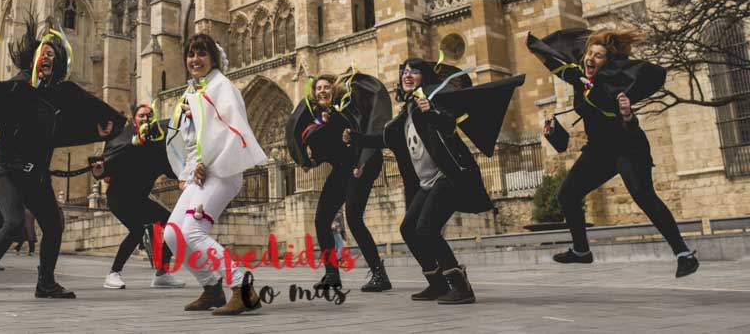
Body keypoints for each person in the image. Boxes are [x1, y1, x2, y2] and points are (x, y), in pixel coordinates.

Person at [0, 20, 124, 304]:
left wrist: (95, 130)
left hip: (34, 172)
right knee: (12, 222)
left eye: (53, 54)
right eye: (43, 52)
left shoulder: (60, 96)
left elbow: (63, 130)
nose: (47, 56)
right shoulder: (19, 86)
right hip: (5, 167)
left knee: (53, 222)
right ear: (34, 58)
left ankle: (45, 283)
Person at [345, 58, 522, 305]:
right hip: (428, 183)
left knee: (426, 229)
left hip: (449, 176)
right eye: (404, 71)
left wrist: (433, 111)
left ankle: (461, 286)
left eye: (414, 71)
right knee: (409, 229)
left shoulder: (432, 101)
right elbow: (384, 138)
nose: (407, 75)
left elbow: (449, 124)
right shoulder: (406, 113)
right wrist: (356, 138)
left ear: (424, 77)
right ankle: (437, 283)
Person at [527, 27, 699, 278]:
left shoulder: (614, 86)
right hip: (599, 150)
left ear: (607, 63)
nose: (590, 58)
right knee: (567, 195)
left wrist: (627, 113)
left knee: (644, 196)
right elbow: (559, 68)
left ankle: (684, 255)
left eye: (598, 56)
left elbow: (628, 125)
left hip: (628, 147)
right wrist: (536, 49)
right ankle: (582, 251)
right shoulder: (581, 79)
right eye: (589, 53)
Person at [162, 34, 268, 316]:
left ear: (214, 58)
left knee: (193, 232)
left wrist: (206, 162)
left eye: (201, 54)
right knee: (173, 235)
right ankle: (211, 287)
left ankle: (242, 287)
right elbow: (191, 139)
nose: (194, 60)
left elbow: (231, 130)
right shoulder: (193, 93)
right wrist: (188, 171)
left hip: (222, 170)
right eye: (190, 54)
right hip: (201, 173)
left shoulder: (223, 87)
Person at [286, 71, 393, 292]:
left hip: (362, 163)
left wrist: (361, 161)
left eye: (326, 87)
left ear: (333, 89)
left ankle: (380, 275)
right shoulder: (317, 117)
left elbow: (358, 129)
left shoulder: (347, 107)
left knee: (353, 218)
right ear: (314, 94)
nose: (322, 90)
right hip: (343, 169)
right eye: (318, 88)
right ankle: (332, 274)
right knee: (321, 219)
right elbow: (328, 149)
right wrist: (308, 161)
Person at [91, 104, 185, 290]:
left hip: (140, 199)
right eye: (141, 115)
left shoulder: (158, 146)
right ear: (134, 119)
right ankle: (113, 274)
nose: (146, 118)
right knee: (137, 231)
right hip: (119, 198)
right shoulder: (124, 141)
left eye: (149, 115)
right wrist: (100, 171)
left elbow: (171, 168)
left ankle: (162, 274)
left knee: (173, 226)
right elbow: (106, 166)